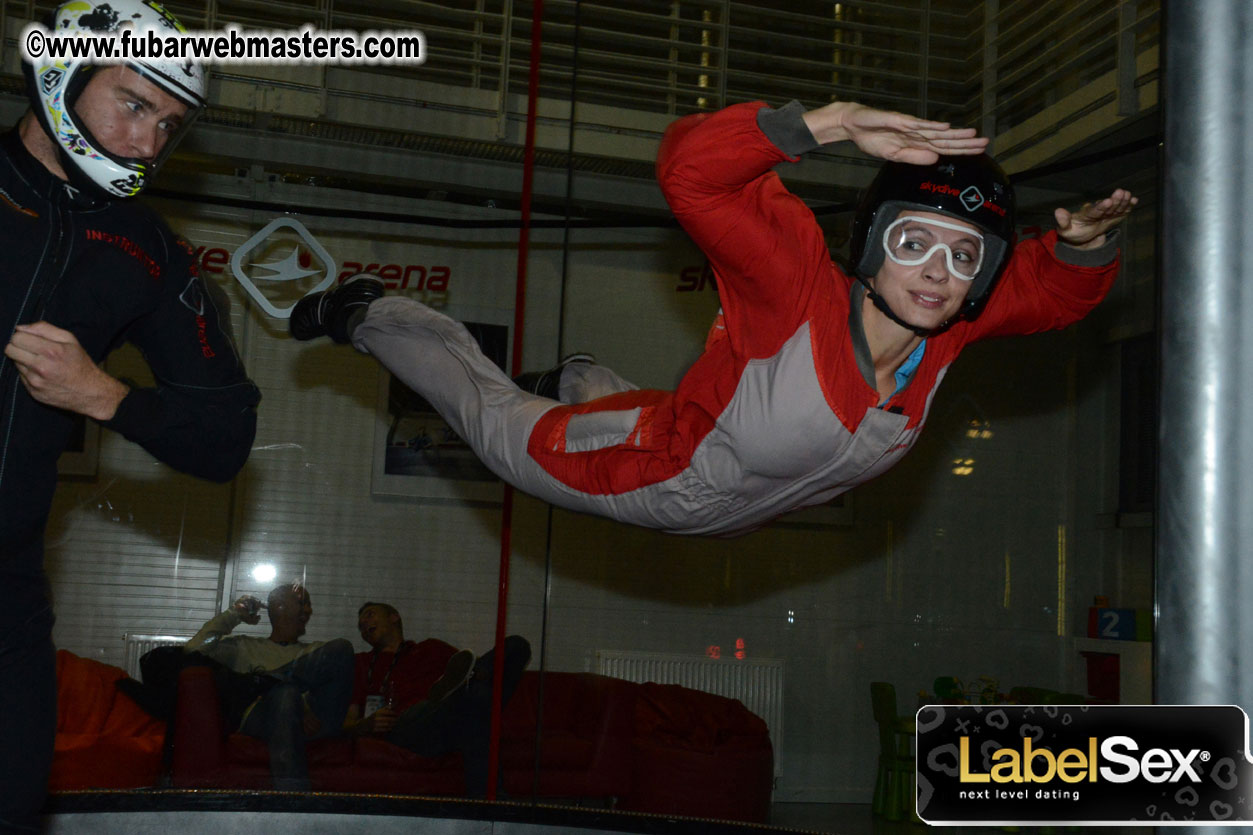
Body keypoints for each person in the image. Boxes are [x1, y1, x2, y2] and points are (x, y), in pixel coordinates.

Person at [288, 98, 1134, 538]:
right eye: (914, 242)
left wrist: (1084, 245)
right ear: (870, 245)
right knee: (494, 424)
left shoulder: (946, 332)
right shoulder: (795, 291)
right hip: (653, 474)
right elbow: (692, 171)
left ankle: (583, 377)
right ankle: (368, 311)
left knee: (641, 401)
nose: (936, 275)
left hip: (734, 502)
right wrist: (825, 124)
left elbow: (1051, 292)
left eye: (962, 257)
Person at [0, 2, 260, 829]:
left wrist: (103, 394)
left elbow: (226, 437)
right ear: (64, 74)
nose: (150, 144)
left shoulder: (144, 248)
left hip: (6, 596)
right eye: (134, 104)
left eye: (169, 125)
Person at [345, 602, 532, 796]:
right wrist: (365, 725)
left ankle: (488, 809)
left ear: (394, 617)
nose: (364, 625)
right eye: (360, 626)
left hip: (454, 724)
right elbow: (348, 721)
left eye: (370, 615)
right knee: (473, 704)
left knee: (516, 646)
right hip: (407, 727)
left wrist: (479, 675)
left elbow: (466, 666)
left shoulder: (432, 648)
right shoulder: (362, 663)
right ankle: (457, 695)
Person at [184, 583, 354, 791]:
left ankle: (271, 681)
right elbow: (191, 652)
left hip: (313, 721)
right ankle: (294, 803)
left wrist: (297, 702)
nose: (309, 610)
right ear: (279, 607)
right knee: (285, 694)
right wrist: (234, 614)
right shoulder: (244, 647)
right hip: (261, 719)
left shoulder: (315, 653)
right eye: (302, 603)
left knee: (342, 648)